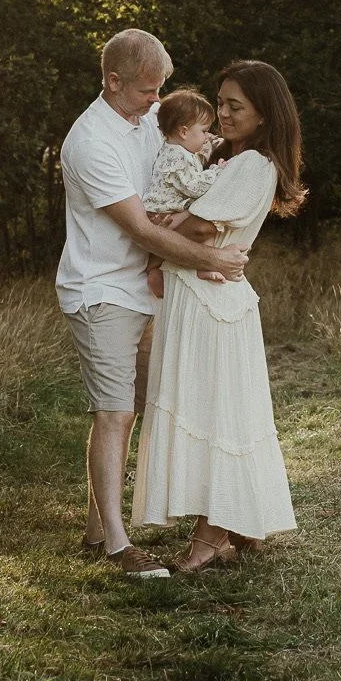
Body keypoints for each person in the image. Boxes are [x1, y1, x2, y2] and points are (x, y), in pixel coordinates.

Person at [58, 30, 250, 580]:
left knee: (134, 408)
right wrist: (208, 258)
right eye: (147, 89)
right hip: (101, 290)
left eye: (160, 87)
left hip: (145, 286)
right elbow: (141, 228)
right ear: (112, 82)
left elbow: (181, 166)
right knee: (115, 411)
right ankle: (120, 548)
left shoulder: (147, 118)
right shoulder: (91, 142)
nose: (157, 98)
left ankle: (98, 528)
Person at [132, 60, 305, 573]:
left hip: (212, 306)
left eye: (236, 106)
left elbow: (203, 231)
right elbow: (194, 221)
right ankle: (239, 521)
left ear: (264, 114)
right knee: (217, 410)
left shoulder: (254, 164)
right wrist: (177, 223)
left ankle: (212, 535)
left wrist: (161, 231)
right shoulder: (228, 162)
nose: (224, 114)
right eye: (222, 103)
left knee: (212, 414)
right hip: (201, 298)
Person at [142, 89, 227, 289]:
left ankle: (155, 271)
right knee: (206, 222)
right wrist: (218, 171)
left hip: (164, 210)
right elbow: (195, 187)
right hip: (164, 212)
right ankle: (204, 264)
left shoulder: (176, 150)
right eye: (204, 131)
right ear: (183, 131)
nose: (207, 137)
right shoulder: (177, 156)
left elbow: (194, 165)